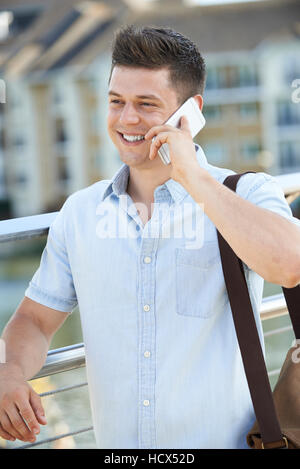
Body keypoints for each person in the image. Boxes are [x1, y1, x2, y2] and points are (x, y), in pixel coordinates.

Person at [1, 25, 300, 450]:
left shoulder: (246, 194)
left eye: (146, 104)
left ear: (190, 112)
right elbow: (33, 319)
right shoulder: (81, 214)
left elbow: (289, 264)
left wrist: (191, 176)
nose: (127, 119)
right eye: (116, 102)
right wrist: (8, 373)